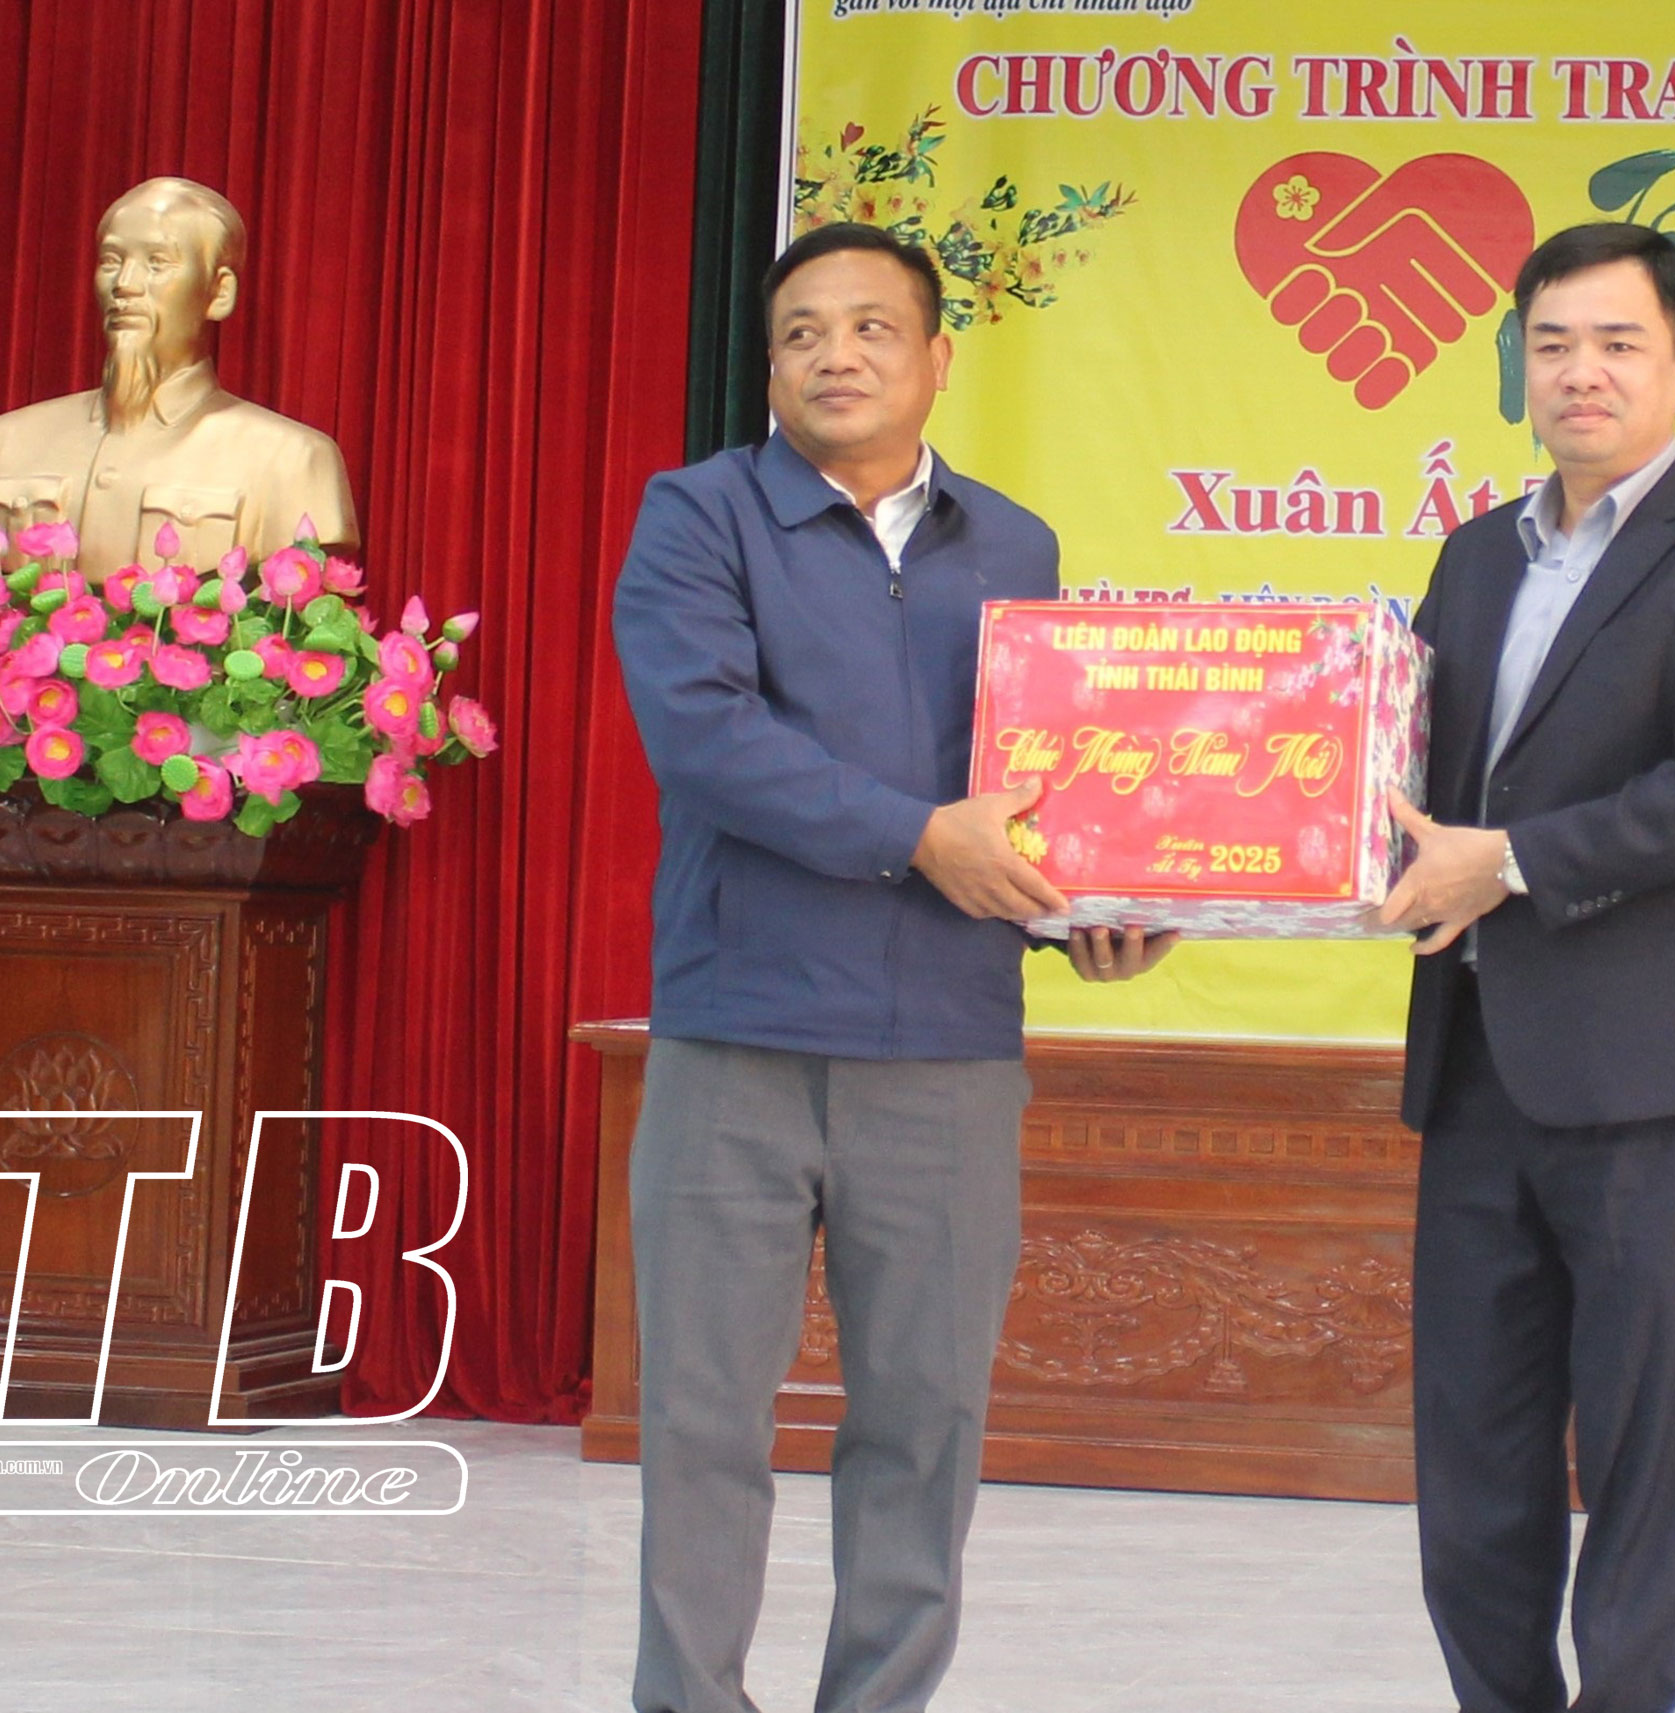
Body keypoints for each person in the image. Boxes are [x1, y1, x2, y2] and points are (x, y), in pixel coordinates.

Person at [609, 221, 1175, 1713]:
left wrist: (1089, 909)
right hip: (740, 1035)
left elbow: (1036, 787)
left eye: (871, 326)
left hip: (946, 1049)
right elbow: (709, 741)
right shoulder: (698, 516)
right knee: (704, 1422)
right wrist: (922, 837)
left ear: (937, 357)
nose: (835, 355)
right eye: (801, 332)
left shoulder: (1017, 547)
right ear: (770, 368)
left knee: (925, 1425)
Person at [1375, 222, 1675, 1713]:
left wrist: (1503, 862)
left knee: (1638, 1460)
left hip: (1654, 1077)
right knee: (1473, 1465)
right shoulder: (1471, 555)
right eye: (1553, 343)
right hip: (1477, 1069)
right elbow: (1403, 784)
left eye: (1619, 344)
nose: (1582, 372)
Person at [0, 176, 356, 570]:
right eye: (111, 261)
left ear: (219, 292)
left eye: (157, 262)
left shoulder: (291, 460)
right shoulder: (3, 443)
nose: (126, 283)